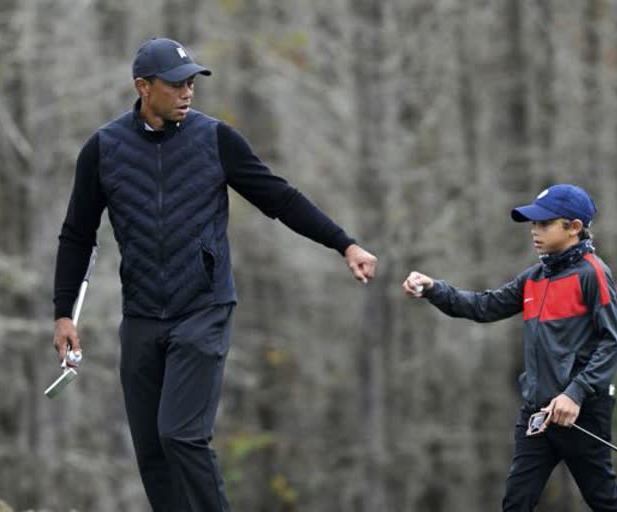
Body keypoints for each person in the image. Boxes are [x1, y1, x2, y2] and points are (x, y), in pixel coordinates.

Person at [52, 37, 377, 512]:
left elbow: (279, 198)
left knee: (181, 434)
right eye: (177, 84)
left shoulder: (216, 139)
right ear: (143, 87)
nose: (188, 92)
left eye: (192, 83)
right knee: (151, 451)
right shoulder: (103, 149)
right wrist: (64, 314)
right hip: (142, 314)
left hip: (202, 308)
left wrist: (343, 243)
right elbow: (77, 235)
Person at [402, 184, 617, 511]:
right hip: (537, 412)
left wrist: (575, 393)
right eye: (533, 224)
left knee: (603, 499)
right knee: (516, 502)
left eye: (544, 224)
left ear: (574, 228)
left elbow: (613, 342)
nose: (534, 231)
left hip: (581, 411)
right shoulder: (535, 277)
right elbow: (484, 307)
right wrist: (433, 288)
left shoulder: (593, 274)